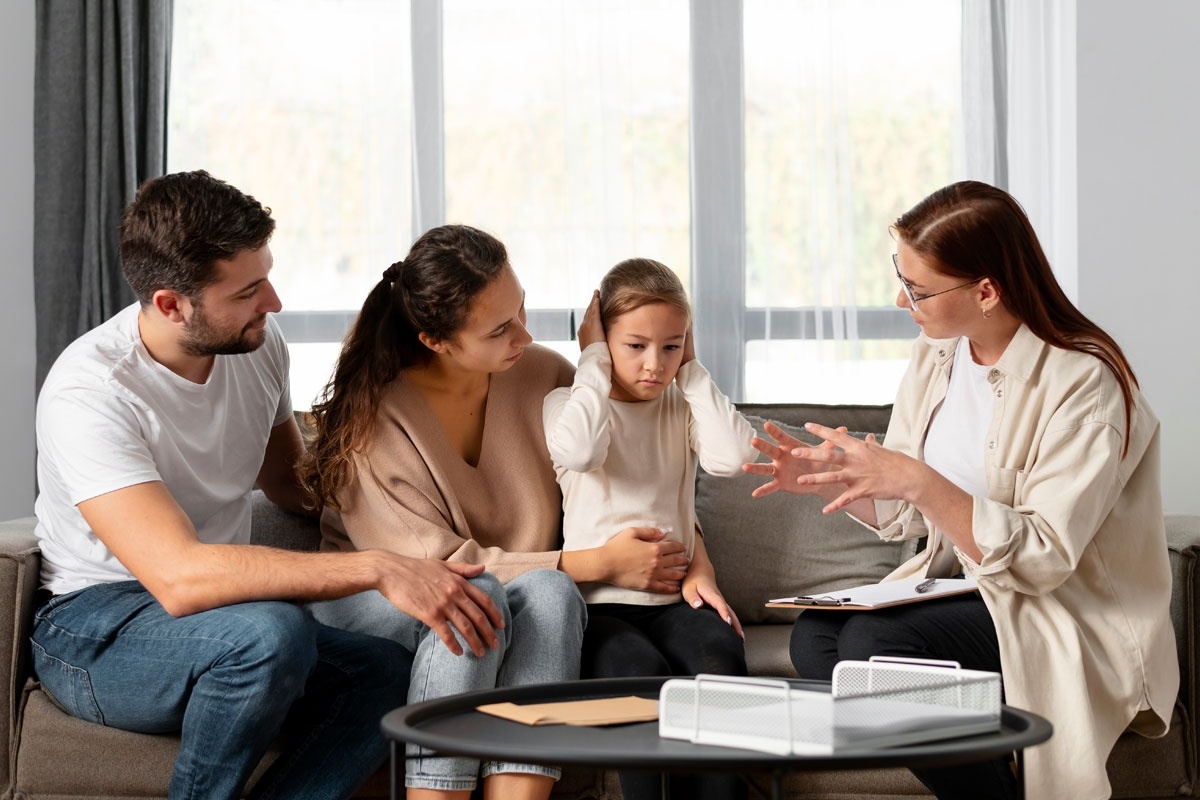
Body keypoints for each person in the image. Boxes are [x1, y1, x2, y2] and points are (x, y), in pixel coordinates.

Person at [30, 171, 504, 800]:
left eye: (268, 275)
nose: (274, 302)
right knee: (270, 634)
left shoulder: (255, 347)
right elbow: (179, 577)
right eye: (249, 290)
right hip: (96, 627)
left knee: (383, 673)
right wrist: (379, 567)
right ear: (172, 304)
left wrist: (409, 504)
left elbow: (290, 484)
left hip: (228, 616)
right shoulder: (91, 392)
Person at [743, 180, 1178, 800]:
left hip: (1059, 610)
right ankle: (985, 764)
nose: (901, 299)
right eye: (902, 277)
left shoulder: (1084, 383)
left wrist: (917, 478)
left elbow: (1045, 557)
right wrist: (832, 478)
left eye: (917, 289)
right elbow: (905, 511)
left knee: (875, 646)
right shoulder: (938, 355)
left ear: (986, 290)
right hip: (973, 590)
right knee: (817, 637)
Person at [300, 226, 691, 800]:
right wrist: (601, 563)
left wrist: (596, 358)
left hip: (514, 588)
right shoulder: (373, 420)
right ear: (436, 340)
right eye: (501, 327)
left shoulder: (540, 373)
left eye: (522, 310)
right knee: (478, 597)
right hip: (383, 598)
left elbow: (643, 463)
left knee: (552, 595)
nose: (525, 335)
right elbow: (439, 571)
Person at [543, 258, 755, 800]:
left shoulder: (680, 404)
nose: (653, 365)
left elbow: (735, 458)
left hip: (673, 599)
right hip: (596, 605)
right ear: (603, 339)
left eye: (670, 346)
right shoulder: (567, 406)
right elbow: (583, 452)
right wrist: (590, 357)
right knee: (639, 674)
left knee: (719, 658)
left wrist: (694, 370)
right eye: (635, 345)